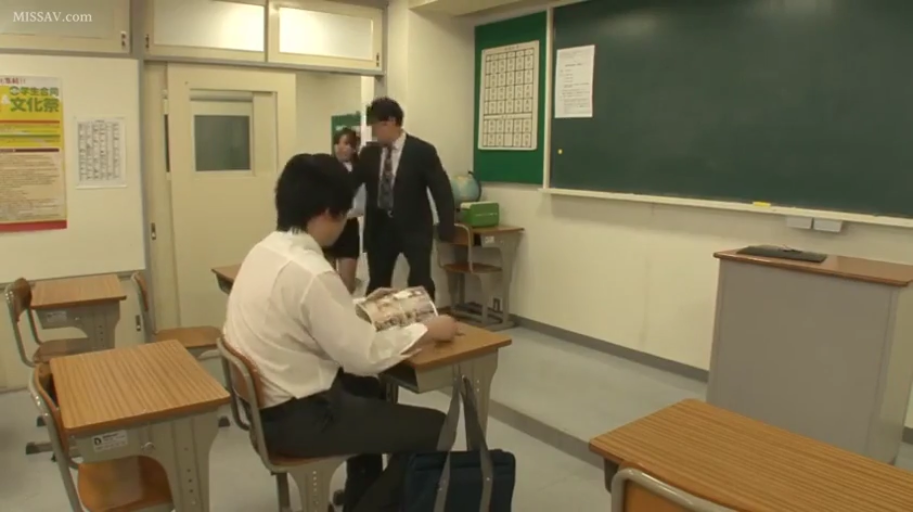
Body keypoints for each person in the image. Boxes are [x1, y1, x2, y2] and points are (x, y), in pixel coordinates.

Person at [223, 153, 459, 512]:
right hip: (300, 419)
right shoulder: (312, 272)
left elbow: (308, 313)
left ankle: (359, 497)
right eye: (344, 215)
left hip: (266, 408)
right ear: (325, 214)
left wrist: (362, 305)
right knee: (437, 428)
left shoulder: (264, 250)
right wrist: (427, 329)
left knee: (369, 390)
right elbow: (364, 355)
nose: (345, 224)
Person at [352, 97, 455, 300]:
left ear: (390, 122)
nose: (374, 133)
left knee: (420, 281)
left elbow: (441, 189)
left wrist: (447, 226)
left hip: (414, 228)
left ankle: (425, 318)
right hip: (379, 229)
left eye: (375, 126)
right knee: (378, 283)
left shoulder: (422, 151)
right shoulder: (369, 153)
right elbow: (351, 184)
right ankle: (377, 319)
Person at [325, 127, 366, 293]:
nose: (340, 147)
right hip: (327, 226)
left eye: (346, 144)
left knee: (347, 284)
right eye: (337, 143)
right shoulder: (326, 169)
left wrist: (340, 214)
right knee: (326, 282)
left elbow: (360, 206)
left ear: (354, 148)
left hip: (348, 227)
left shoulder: (358, 171)